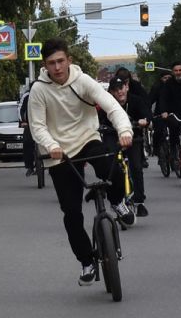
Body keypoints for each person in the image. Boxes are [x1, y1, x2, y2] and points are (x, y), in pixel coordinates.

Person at [28, 39, 134, 285]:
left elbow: (111, 106)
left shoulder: (83, 81)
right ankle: (87, 262)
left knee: (112, 166)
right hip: (59, 152)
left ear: (69, 60)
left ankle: (118, 202)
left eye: (61, 61)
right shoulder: (39, 90)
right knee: (71, 213)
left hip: (87, 140)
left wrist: (124, 130)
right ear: (45, 65)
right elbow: (37, 126)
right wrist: (52, 146)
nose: (57, 67)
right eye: (52, 63)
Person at [108, 70, 152, 218]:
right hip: (114, 139)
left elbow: (147, 114)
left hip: (135, 138)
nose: (119, 92)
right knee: (110, 167)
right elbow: (99, 118)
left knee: (136, 167)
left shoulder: (136, 100)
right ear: (112, 92)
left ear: (126, 87)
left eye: (121, 88)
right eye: (115, 90)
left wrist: (145, 120)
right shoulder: (109, 104)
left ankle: (139, 202)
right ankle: (116, 201)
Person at [150, 61, 181, 167]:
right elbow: (163, 98)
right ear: (173, 72)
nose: (178, 73)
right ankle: (173, 152)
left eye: (180, 70)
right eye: (176, 71)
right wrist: (164, 111)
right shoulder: (168, 84)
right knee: (172, 132)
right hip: (173, 114)